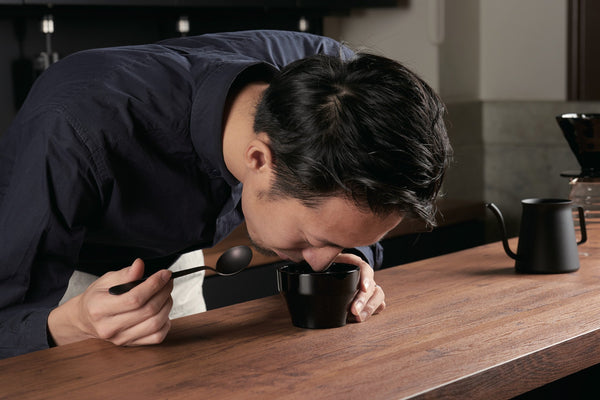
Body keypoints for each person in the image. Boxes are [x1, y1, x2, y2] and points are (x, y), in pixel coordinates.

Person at [0, 30, 451, 359]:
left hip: (178, 264)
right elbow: (8, 318)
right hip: (68, 286)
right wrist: (75, 322)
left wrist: (358, 260)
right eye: (316, 240)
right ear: (258, 159)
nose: (320, 263)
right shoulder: (73, 131)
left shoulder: (336, 84)